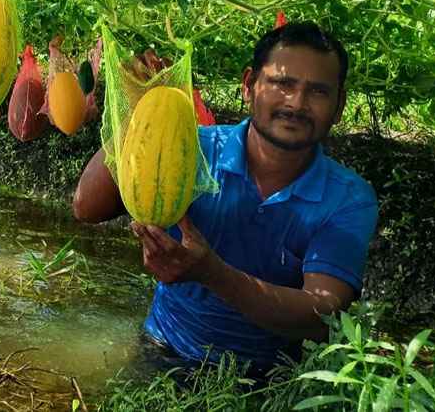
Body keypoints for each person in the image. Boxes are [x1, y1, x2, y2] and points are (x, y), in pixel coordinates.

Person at [73, 23, 378, 373]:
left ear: (339, 105)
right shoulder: (194, 149)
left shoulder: (349, 199)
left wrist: (211, 273)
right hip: (163, 354)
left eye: (318, 92)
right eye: (283, 84)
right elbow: (87, 207)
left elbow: (321, 316)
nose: (296, 102)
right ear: (249, 86)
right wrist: (135, 116)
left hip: (268, 380)